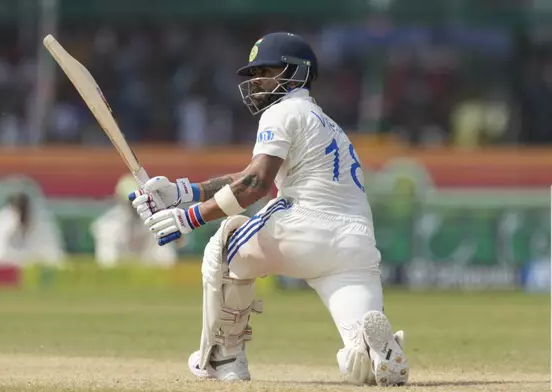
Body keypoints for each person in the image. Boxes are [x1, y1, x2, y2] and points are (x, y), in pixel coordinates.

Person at [128, 32, 409, 386]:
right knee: (358, 353)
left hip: (303, 226)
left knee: (226, 244)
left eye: (266, 70)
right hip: (356, 246)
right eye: (252, 73)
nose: (255, 80)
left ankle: (225, 358)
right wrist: (183, 191)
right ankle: (375, 351)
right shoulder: (327, 124)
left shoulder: (283, 111)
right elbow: (249, 175)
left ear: (296, 73)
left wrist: (190, 218)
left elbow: (256, 185)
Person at [90, 175, 177, 268]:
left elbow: (167, 261)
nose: (134, 205)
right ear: (119, 199)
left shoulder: (156, 221)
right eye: (130, 202)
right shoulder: (108, 225)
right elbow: (107, 263)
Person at [0, 193, 66, 268]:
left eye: (24, 209)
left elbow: (53, 253)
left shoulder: (41, 220)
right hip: (6, 264)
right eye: (19, 209)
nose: (22, 213)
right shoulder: (4, 220)